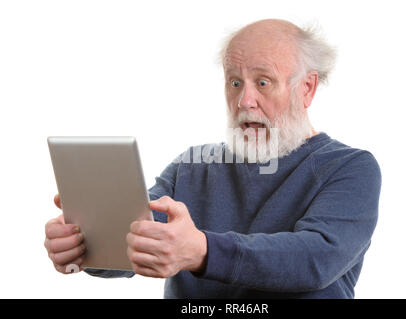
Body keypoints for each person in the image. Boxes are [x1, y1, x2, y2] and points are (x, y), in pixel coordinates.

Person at [44, 19, 381, 298]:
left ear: (306, 89)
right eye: (235, 82)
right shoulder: (191, 167)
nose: (244, 100)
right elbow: (143, 237)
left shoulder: (349, 168)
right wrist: (84, 245)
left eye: (263, 82)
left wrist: (203, 251)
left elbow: (316, 258)